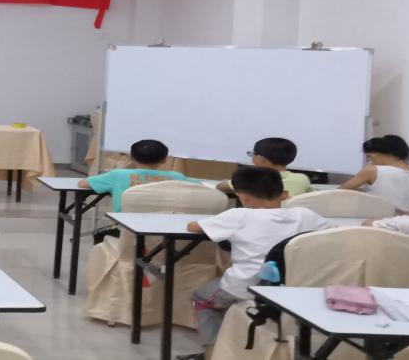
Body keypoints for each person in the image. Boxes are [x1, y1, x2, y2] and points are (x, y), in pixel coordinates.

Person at [187, 167, 330, 353]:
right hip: (294, 287)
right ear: (285, 194)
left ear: (243, 198)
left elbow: (193, 227)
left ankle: (215, 349)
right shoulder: (305, 215)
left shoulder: (238, 215)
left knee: (201, 299)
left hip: (246, 287)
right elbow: (333, 233)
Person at [77, 139, 189, 211]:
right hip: (164, 229)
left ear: (132, 157)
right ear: (164, 159)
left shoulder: (118, 175)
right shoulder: (177, 177)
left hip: (125, 229)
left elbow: (82, 184)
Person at [340, 135, 409, 214]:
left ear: (374, 154)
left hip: (382, 223)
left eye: (368, 157)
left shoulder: (373, 170)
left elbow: (340, 193)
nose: (369, 161)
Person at [216, 137, 312, 197]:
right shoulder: (302, 179)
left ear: (261, 158)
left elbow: (220, 187)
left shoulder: (253, 178)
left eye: (253, 154)